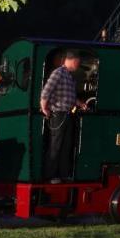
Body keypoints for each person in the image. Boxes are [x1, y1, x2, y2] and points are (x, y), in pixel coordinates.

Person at [40, 50, 86, 183]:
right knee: (56, 145)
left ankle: (63, 174)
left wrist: (80, 103)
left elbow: (70, 96)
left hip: (67, 114)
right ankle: (50, 175)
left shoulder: (69, 77)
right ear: (74, 60)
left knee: (66, 145)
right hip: (58, 114)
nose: (79, 65)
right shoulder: (58, 73)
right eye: (79, 62)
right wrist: (44, 108)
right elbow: (46, 91)